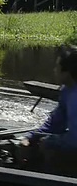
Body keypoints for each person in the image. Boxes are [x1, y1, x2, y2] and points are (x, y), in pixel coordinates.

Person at [19, 45, 77, 175]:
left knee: (47, 145)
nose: (54, 70)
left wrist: (49, 141)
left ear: (67, 72)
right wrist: (30, 137)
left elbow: (75, 139)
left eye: (57, 66)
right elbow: (54, 124)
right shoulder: (66, 92)